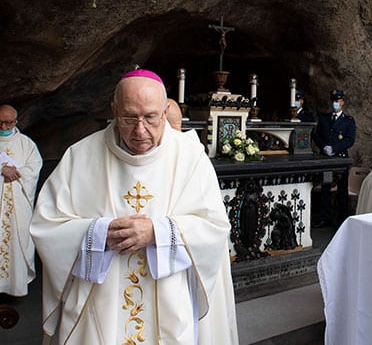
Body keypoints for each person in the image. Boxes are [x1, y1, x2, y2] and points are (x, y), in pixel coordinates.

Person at [30, 69, 238, 344]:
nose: (140, 130)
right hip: (99, 305)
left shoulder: (190, 158)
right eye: (129, 118)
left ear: (165, 112)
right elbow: (46, 225)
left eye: (151, 118)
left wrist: (157, 232)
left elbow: (214, 227)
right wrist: (98, 233)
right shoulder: (80, 156)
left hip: (167, 305)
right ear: (114, 110)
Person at [0, 105, 42, 297]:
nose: (4, 125)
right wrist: (2, 170)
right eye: (0, 122)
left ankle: (14, 287)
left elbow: (34, 169)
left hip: (19, 206)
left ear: (16, 121)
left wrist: (15, 173)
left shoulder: (26, 144)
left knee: (16, 243)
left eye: (8, 122)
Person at [311, 89, 356, 227]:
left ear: (342, 102)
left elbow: (350, 139)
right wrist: (324, 146)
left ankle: (342, 219)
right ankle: (325, 218)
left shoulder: (348, 120)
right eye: (333, 101)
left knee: (342, 190)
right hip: (326, 159)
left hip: (340, 158)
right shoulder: (324, 118)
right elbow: (316, 135)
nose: (335, 103)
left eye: (338, 101)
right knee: (325, 188)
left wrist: (335, 148)